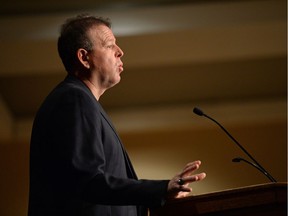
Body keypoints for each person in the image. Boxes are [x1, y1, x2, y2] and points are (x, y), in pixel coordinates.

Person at [28, 14, 206, 216]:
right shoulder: (73, 99)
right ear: (84, 58)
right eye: (110, 45)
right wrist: (161, 189)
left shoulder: (80, 101)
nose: (120, 52)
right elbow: (88, 181)